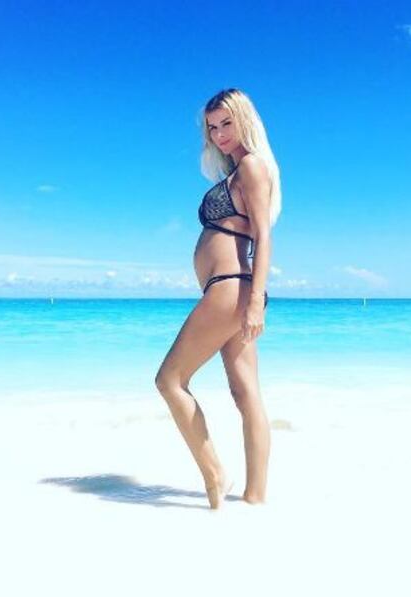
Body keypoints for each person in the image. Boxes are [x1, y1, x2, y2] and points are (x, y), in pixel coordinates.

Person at [154, 88, 282, 510]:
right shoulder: (237, 171)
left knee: (169, 381)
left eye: (227, 123)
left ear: (245, 119)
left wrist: (256, 301)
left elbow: (264, 236)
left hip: (232, 287)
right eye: (212, 127)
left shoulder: (253, 167)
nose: (220, 133)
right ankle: (255, 499)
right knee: (246, 394)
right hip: (231, 289)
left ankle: (214, 474)